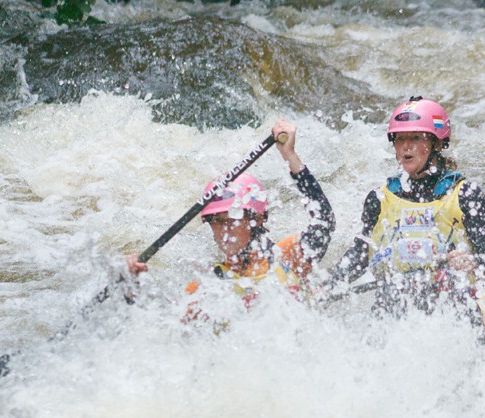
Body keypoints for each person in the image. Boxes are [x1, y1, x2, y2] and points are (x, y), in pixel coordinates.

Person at [322, 96, 485, 325]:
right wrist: (329, 285)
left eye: (415, 138)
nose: (406, 147)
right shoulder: (379, 200)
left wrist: (473, 261)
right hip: (394, 304)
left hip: (454, 304)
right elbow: (361, 255)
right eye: (400, 139)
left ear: (436, 144)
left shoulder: (465, 195)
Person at [127, 119, 335, 316]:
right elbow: (165, 333)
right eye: (216, 221)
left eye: (231, 220)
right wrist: (130, 287)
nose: (223, 230)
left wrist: (289, 155)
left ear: (257, 219)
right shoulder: (206, 286)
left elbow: (324, 222)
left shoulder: (286, 257)